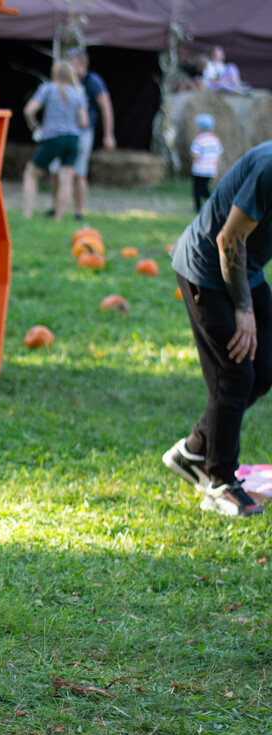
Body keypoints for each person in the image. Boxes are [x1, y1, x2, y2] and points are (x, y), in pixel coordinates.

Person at [164, 141, 272, 517]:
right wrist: (243, 309)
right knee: (236, 372)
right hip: (207, 267)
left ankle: (194, 450)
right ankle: (220, 481)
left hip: (248, 269)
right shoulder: (269, 169)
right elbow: (229, 240)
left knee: (265, 369)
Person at [47, 49, 116, 220]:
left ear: (83, 64)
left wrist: (109, 134)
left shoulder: (93, 82)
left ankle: (78, 212)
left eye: (72, 63)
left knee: (79, 174)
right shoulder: (62, 82)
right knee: (55, 171)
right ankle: (57, 208)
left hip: (82, 133)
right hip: (61, 133)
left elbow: (105, 107)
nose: (69, 66)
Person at [22, 60, 88, 221]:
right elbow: (84, 121)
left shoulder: (48, 89)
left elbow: (29, 110)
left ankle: (27, 214)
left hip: (53, 138)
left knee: (31, 174)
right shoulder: (78, 93)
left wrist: (33, 124)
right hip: (72, 139)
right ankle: (58, 218)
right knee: (66, 179)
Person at [190, 113, 223, 213]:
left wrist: (191, 154)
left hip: (199, 169)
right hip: (210, 169)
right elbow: (218, 155)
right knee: (204, 188)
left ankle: (199, 207)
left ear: (200, 127)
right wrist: (216, 169)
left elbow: (195, 155)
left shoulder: (199, 140)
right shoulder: (215, 140)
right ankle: (213, 204)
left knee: (197, 189)